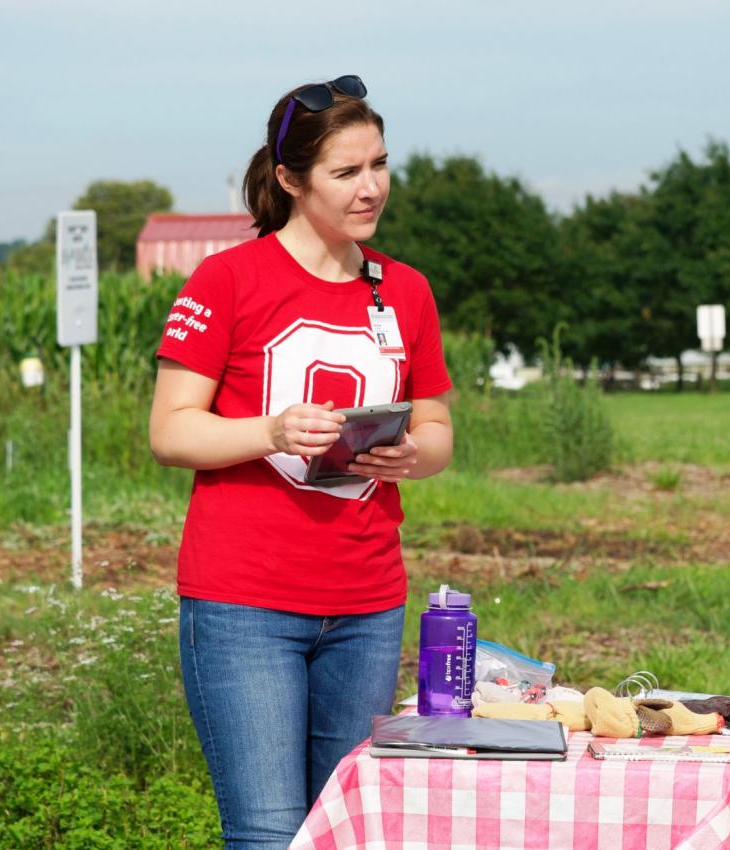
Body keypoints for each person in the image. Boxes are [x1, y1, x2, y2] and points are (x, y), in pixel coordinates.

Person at [149, 75, 453, 849]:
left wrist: (412, 454)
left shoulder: (406, 290)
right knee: (266, 834)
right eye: (346, 172)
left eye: (380, 164)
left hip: (368, 603)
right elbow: (172, 431)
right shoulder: (227, 280)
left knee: (347, 830)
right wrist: (274, 431)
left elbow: (438, 427)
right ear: (289, 179)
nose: (372, 187)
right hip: (244, 605)